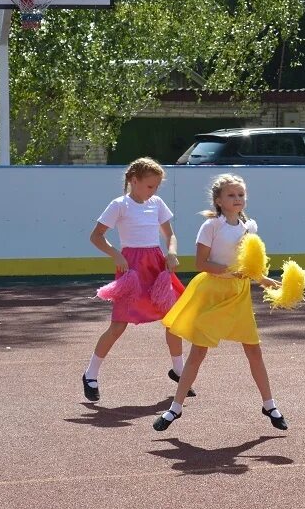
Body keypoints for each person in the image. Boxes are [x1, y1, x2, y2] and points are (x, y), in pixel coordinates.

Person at [152, 174, 287, 432]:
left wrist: (265, 280)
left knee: (254, 350)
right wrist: (227, 273)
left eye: (241, 195)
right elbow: (201, 264)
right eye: (231, 195)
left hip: (238, 295)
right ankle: (175, 408)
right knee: (198, 352)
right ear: (218, 200)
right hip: (213, 292)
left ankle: (269, 404)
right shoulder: (211, 226)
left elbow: (249, 266)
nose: (237, 199)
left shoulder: (250, 227)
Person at [82, 157, 188, 402]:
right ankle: (91, 374)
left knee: (173, 318)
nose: (154, 191)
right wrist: (116, 254)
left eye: (157, 186)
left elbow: (170, 235)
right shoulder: (119, 205)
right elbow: (96, 236)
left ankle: (179, 370)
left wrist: (171, 252)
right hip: (131, 268)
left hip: (157, 266)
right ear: (134, 181)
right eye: (150, 186)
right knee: (119, 324)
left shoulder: (157, 203)